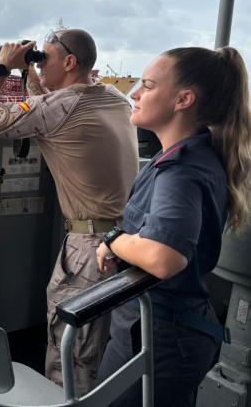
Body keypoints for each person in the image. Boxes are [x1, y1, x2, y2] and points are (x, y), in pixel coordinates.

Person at [0, 28, 138, 395]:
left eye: (45, 58)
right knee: (97, 344)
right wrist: (33, 75)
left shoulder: (58, 108)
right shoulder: (115, 98)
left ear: (70, 62)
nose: (40, 64)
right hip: (125, 239)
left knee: (69, 352)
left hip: (89, 249)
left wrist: (2, 69)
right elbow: (52, 108)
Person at [96, 46, 251, 406]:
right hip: (162, 330)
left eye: (147, 86)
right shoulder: (186, 156)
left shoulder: (180, 171)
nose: (134, 93)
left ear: (183, 99)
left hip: (159, 337)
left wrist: (113, 240)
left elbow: (166, 257)